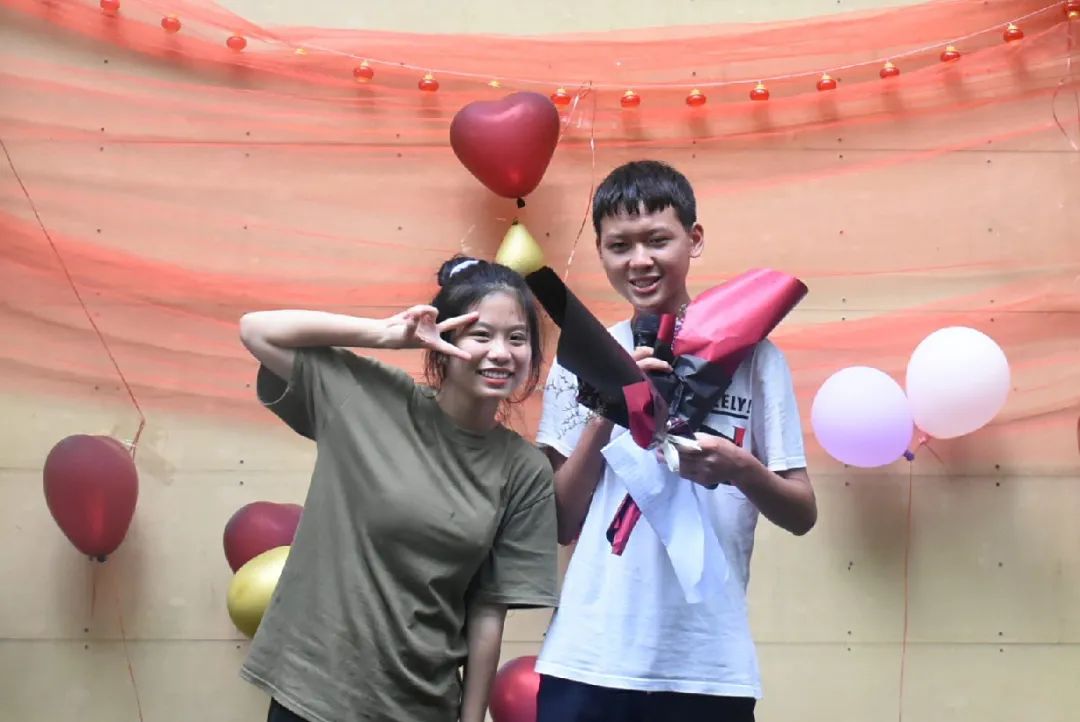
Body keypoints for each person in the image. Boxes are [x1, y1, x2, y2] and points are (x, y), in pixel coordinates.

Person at [534, 161, 817, 722]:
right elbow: (561, 522)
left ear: (695, 239)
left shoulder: (757, 359)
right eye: (619, 246)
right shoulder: (581, 358)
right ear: (600, 252)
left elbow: (802, 513)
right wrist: (610, 406)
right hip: (588, 658)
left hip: (708, 666)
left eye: (657, 240)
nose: (639, 261)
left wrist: (741, 469)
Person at [236, 256, 559, 722]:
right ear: (445, 339)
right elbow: (257, 330)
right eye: (481, 335)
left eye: (517, 338)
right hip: (312, 691)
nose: (501, 353)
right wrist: (385, 333)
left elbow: (489, 612)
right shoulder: (369, 397)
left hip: (421, 704)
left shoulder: (526, 471)